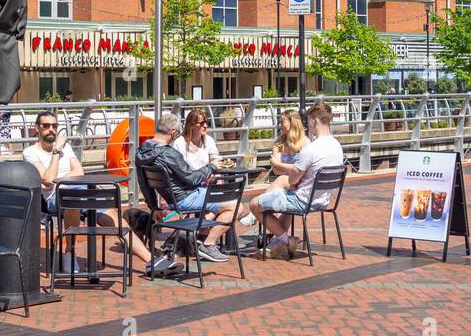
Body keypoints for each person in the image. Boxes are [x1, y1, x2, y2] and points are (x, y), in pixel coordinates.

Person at [24, 111, 179, 278]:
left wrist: (59, 178)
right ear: (37, 128)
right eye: (46, 126)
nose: (51, 130)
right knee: (73, 199)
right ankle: (69, 252)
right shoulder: (31, 152)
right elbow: (47, 179)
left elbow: (79, 171)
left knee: (114, 218)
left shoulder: (66, 148)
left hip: (82, 190)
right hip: (55, 198)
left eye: (54, 126)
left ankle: (152, 262)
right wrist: (56, 154)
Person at [136, 112, 249, 263]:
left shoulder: (141, 151)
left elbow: (144, 184)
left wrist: (154, 207)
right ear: (173, 132)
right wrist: (211, 167)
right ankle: (208, 244)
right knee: (236, 206)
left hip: (173, 199)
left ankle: (200, 235)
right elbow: (192, 178)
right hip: (186, 196)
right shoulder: (169, 153)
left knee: (218, 204)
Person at [250, 100, 345, 259]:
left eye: (309, 122)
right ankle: (277, 241)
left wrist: (292, 178)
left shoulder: (311, 149)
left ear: (315, 121)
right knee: (282, 195)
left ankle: (286, 240)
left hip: (302, 201)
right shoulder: (337, 146)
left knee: (254, 204)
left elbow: (293, 180)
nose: (308, 126)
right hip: (323, 200)